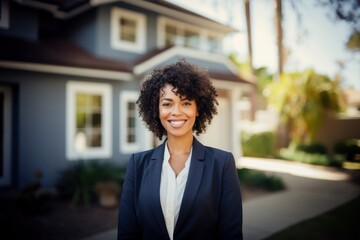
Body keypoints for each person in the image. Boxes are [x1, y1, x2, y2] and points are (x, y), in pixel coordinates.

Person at [117, 59, 243, 240]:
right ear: (157, 109)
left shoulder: (222, 164)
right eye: (167, 104)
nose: (176, 111)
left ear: (198, 109)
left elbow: (231, 235)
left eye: (185, 103)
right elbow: (127, 233)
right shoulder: (138, 164)